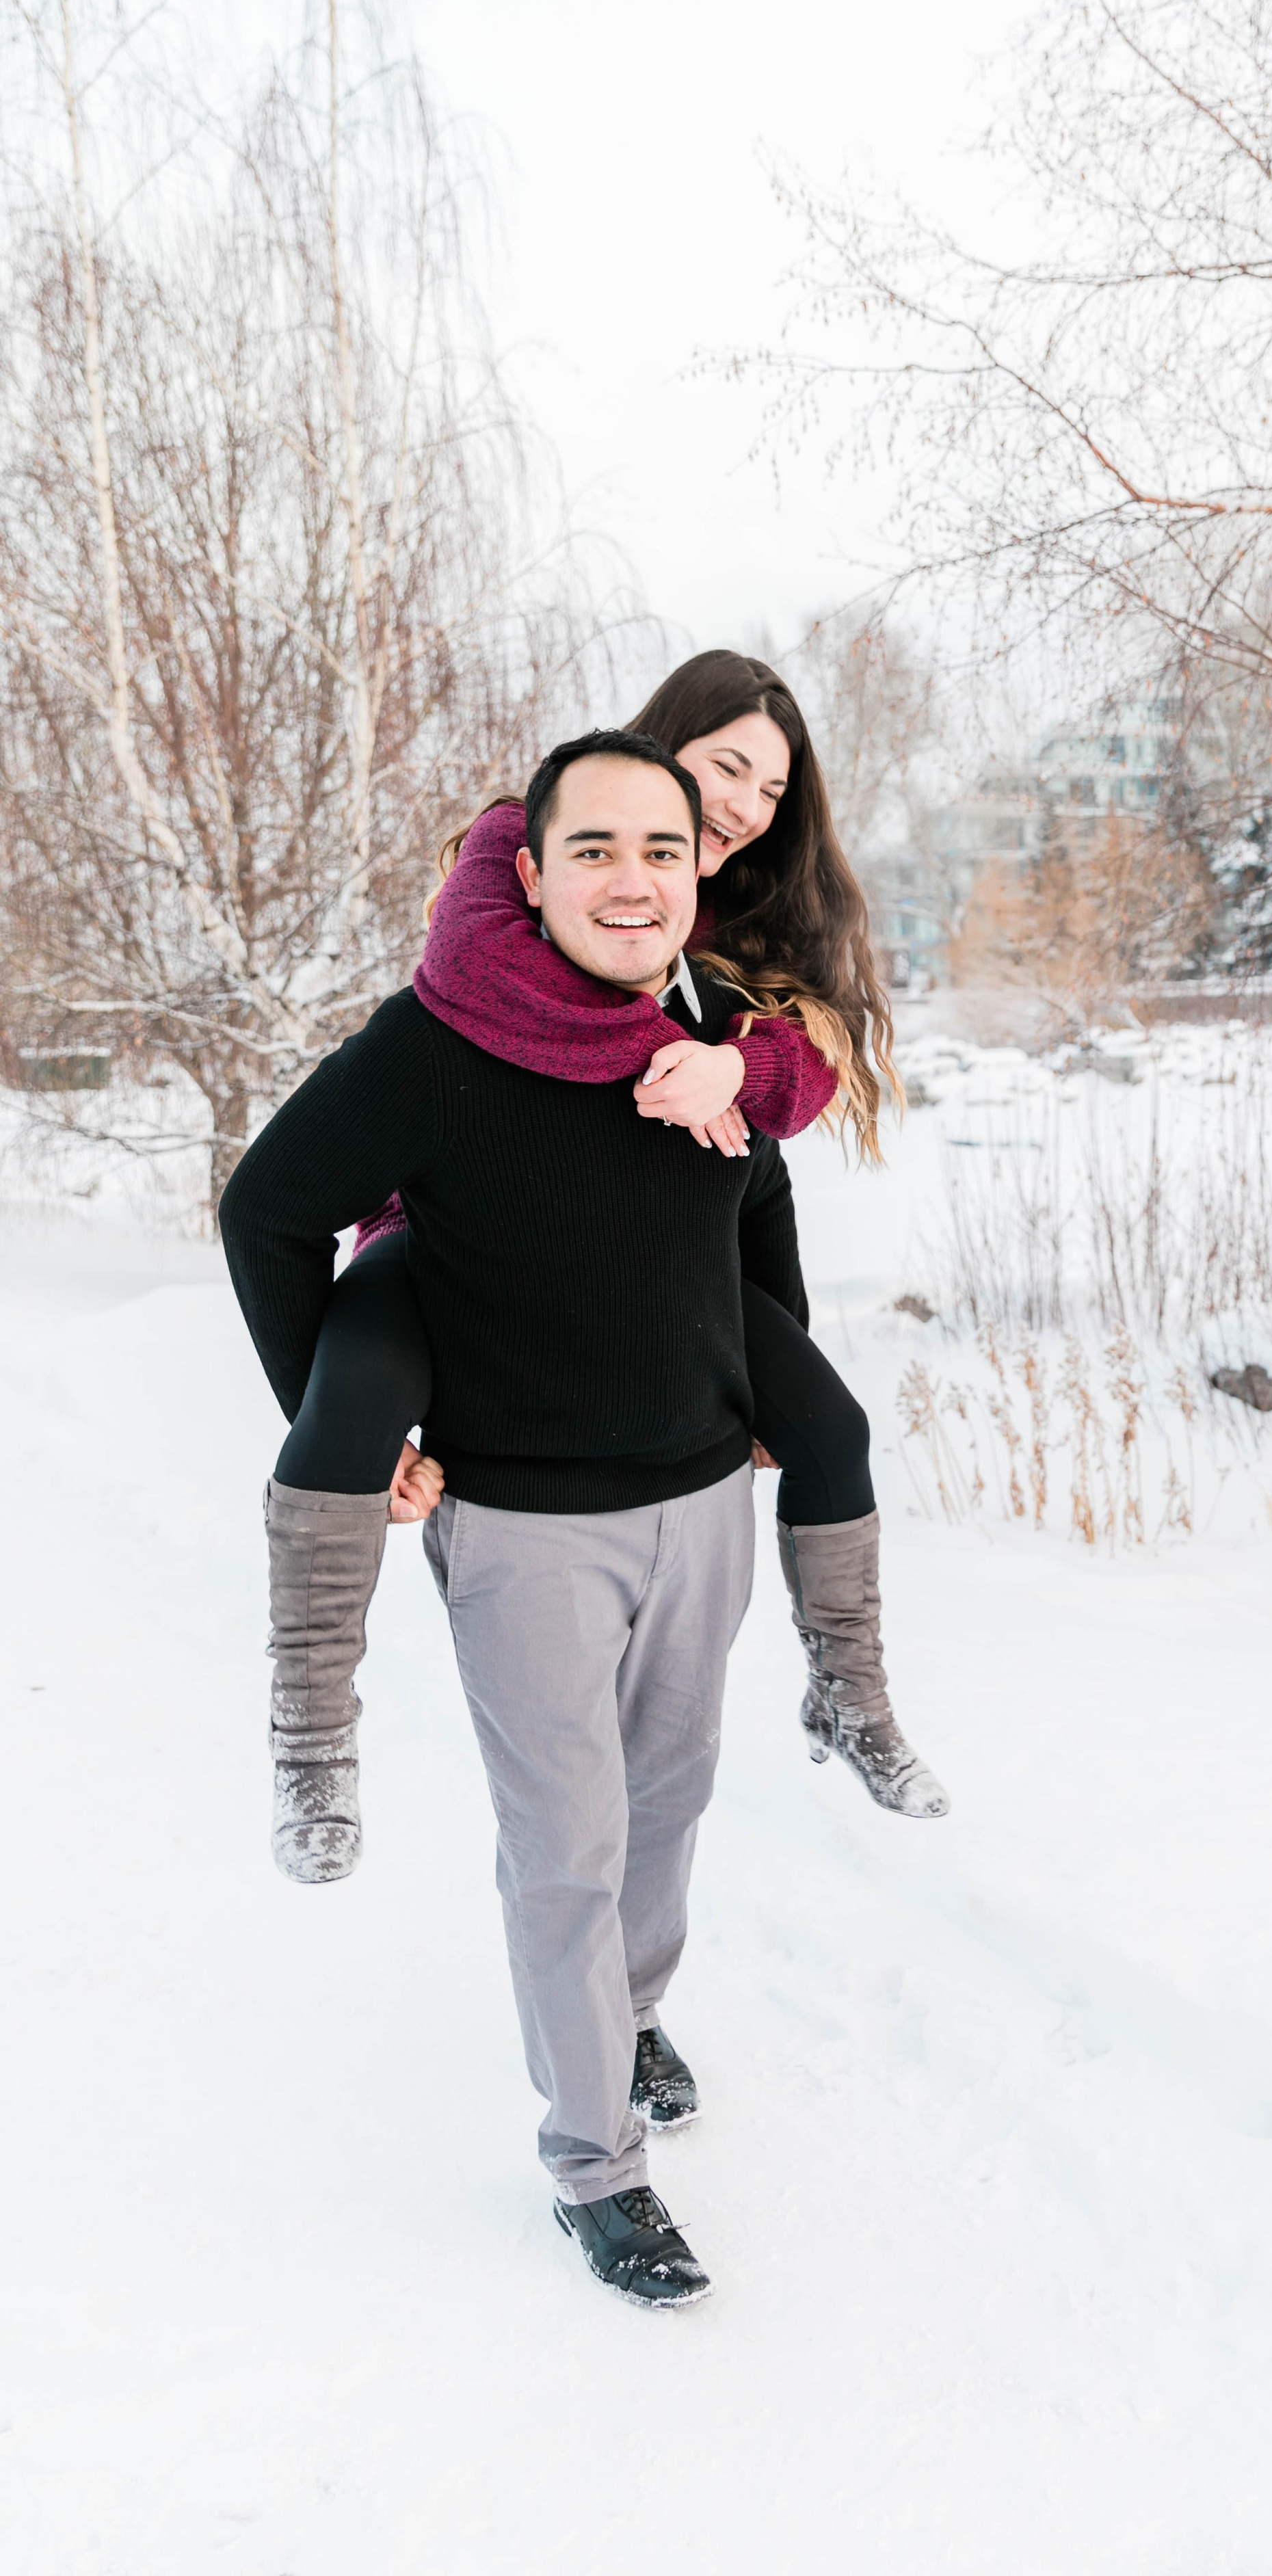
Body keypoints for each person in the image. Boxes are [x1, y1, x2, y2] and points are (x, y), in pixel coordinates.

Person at [222, 730, 808, 2307]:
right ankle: (594, 2165)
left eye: (664, 851)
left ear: (701, 875)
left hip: (701, 1505)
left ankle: (626, 2013)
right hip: (528, 1528)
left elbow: (753, 1196)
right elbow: (268, 1211)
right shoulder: (439, 1041)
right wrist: (338, 1421)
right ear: (529, 874)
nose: (634, 880)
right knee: (568, 1847)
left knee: (668, 1811)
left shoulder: (702, 1026)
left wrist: (768, 1384)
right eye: (597, 850)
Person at [263, 652, 944, 1948]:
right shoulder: (524, 849)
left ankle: (847, 1694)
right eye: (728, 765)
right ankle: (310, 1746)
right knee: (347, 1400)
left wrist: (742, 1072)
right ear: (660, 742)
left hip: (653, 1261)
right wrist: (687, 1059)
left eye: (772, 788)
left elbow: (778, 1134)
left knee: (830, 1426)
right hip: (458, 1223)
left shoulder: (717, 922)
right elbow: (485, 981)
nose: (746, 805)